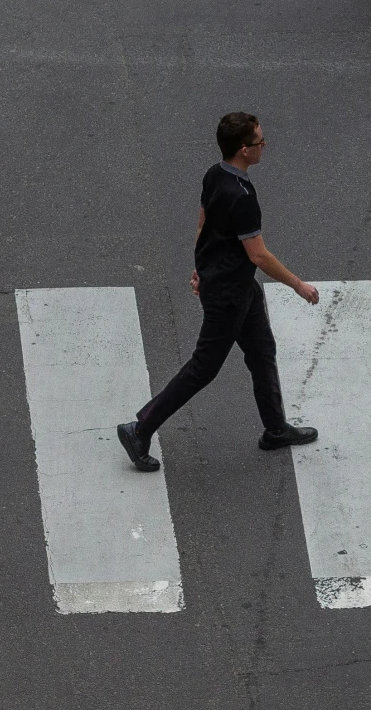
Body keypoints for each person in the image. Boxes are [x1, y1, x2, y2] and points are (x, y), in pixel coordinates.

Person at [117, 113, 319, 471]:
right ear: (244, 150)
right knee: (203, 368)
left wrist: (202, 270)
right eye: (260, 142)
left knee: (261, 351)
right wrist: (298, 285)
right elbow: (258, 254)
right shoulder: (242, 197)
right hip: (229, 295)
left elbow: (203, 225)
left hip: (236, 286)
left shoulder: (215, 174)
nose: (264, 146)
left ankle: (275, 429)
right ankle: (141, 428)